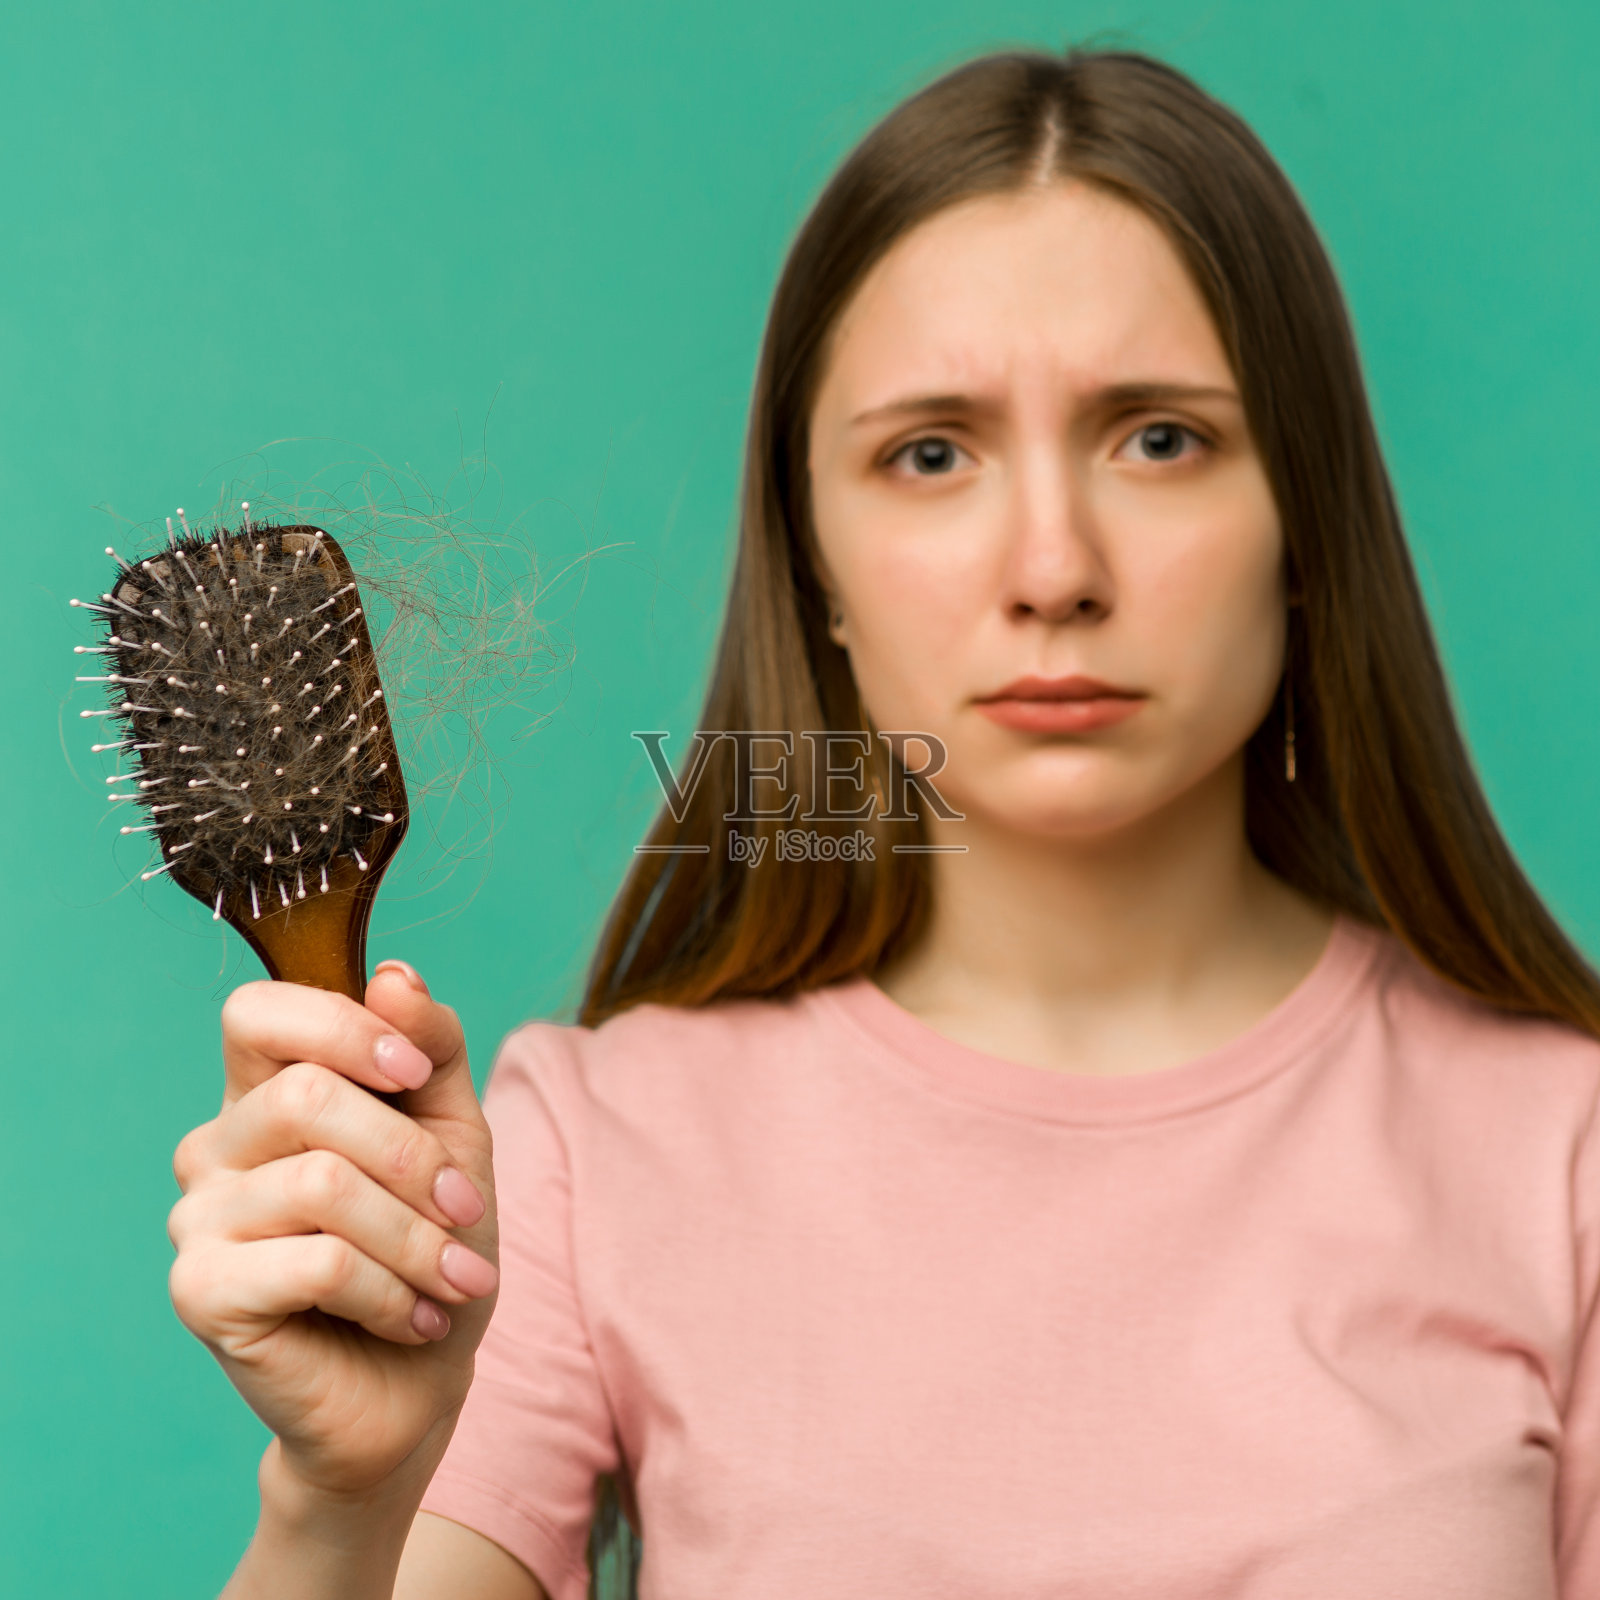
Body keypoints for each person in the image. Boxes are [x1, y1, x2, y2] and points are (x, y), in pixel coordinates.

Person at [171, 42, 1600, 1600]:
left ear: (1304, 523)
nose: (1055, 566)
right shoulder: (600, 1152)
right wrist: (340, 1500)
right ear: (816, 566)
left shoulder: (1563, 1154)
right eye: (931, 453)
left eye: (1162, 438)